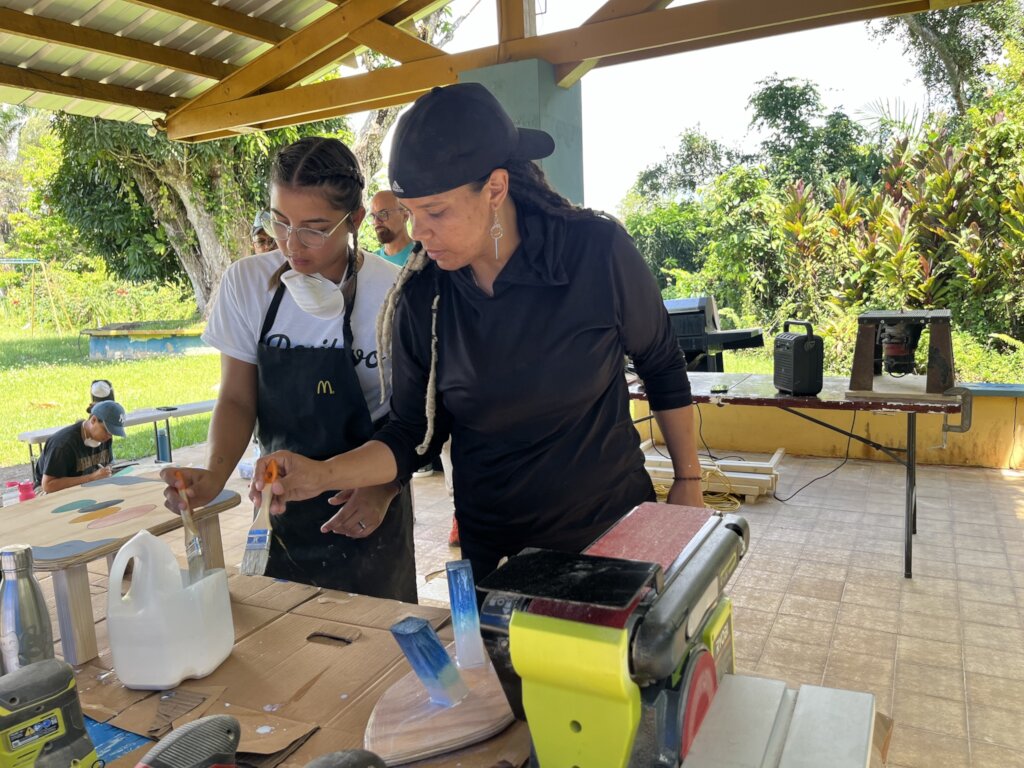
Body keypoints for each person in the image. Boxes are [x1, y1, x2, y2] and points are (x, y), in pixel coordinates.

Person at [252, 84, 703, 586]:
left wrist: (687, 480)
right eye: (409, 211)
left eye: (436, 212)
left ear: (494, 188)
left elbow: (661, 363)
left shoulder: (592, 252)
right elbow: (411, 435)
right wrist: (320, 473)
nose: (418, 231)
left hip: (612, 533)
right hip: (499, 557)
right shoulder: (426, 294)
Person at [161, 136, 417, 601]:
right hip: (277, 505)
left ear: (354, 220)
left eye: (315, 228)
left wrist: (385, 487)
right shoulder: (247, 284)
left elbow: (410, 422)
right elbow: (238, 398)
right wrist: (214, 476)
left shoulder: (395, 292)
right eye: (280, 221)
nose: (292, 245)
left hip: (368, 499)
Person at [36, 400, 127, 493]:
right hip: (48, 491)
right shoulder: (62, 444)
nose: (109, 436)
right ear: (93, 420)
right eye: (107, 431)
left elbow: (109, 463)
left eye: (113, 433)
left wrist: (108, 469)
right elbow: (48, 485)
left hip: (86, 486)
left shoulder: (105, 437)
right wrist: (91, 478)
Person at [369, 190, 415, 267]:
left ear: (405, 216)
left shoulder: (424, 257)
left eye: (383, 214)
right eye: (373, 216)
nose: (376, 222)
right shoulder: (371, 263)